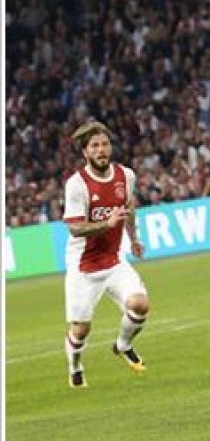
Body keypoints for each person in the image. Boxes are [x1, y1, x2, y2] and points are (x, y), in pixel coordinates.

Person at [62, 121, 149, 388]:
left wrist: (133, 238)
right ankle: (75, 367)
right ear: (85, 152)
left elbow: (128, 208)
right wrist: (107, 224)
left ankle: (122, 344)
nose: (101, 150)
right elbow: (75, 229)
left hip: (114, 259)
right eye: (95, 146)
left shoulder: (126, 176)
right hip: (84, 267)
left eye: (105, 144)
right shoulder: (77, 185)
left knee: (140, 305)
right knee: (81, 329)